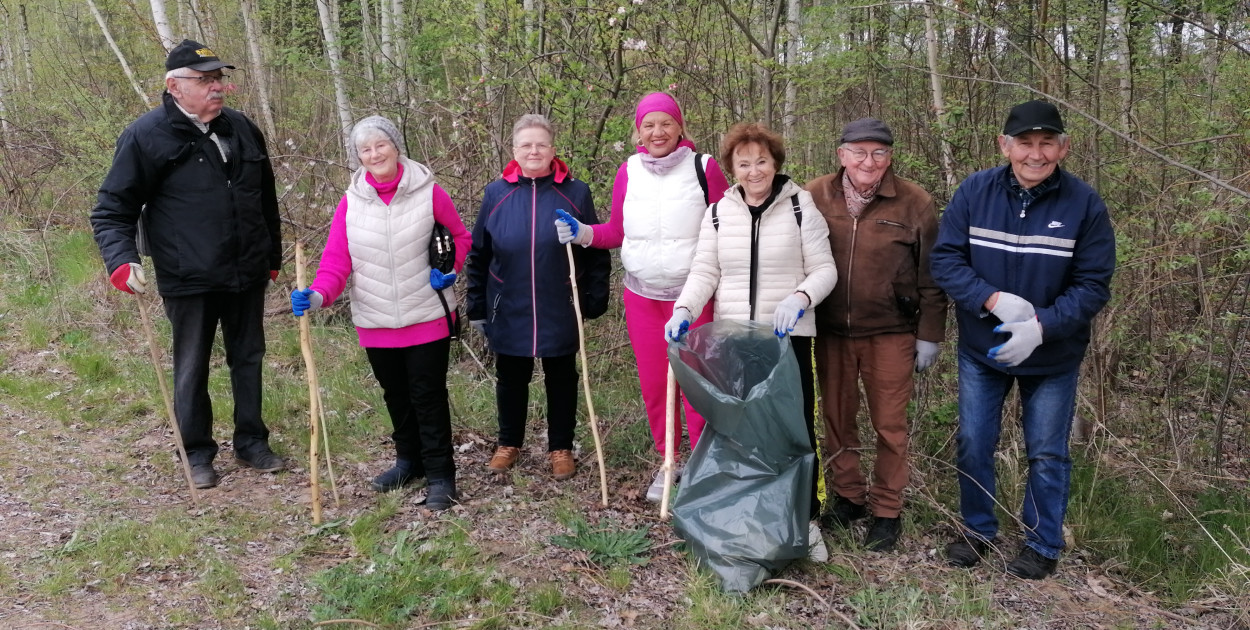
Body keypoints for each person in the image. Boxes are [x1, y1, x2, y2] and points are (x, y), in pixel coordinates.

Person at [931, 100, 1115, 579]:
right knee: (974, 441)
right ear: (1005, 146)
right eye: (1025, 143)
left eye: (1047, 143)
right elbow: (946, 260)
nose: (1036, 154)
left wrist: (1041, 327)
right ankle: (977, 530)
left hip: (1053, 355)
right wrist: (990, 299)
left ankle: (1042, 543)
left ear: (1063, 147)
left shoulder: (1084, 204)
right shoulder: (975, 192)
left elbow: (1094, 284)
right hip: (983, 348)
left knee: (1047, 452)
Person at [91, 40, 283, 490]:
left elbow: (265, 199)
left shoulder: (242, 128)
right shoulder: (146, 135)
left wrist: (271, 256)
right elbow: (112, 209)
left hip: (247, 270)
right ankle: (196, 452)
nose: (217, 87)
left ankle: (252, 442)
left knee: (248, 357)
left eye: (219, 78)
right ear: (174, 86)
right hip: (188, 274)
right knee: (192, 364)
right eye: (205, 80)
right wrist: (121, 261)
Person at [664, 122, 837, 560]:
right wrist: (683, 310)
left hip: (787, 341)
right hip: (736, 342)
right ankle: (746, 520)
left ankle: (806, 521)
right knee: (740, 432)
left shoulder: (800, 206)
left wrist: (800, 298)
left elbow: (825, 269)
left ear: (775, 163)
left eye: (761, 161)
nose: (754, 171)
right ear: (732, 168)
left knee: (794, 430)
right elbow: (705, 271)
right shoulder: (718, 213)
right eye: (744, 163)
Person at [555, 92, 731, 502]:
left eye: (666, 123)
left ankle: (704, 465)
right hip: (642, 298)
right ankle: (669, 462)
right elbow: (617, 231)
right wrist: (582, 233)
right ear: (638, 131)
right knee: (655, 385)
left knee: (697, 384)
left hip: (695, 297)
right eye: (649, 125)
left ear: (680, 127)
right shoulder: (628, 171)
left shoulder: (704, 168)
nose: (657, 132)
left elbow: (728, 226)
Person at [289, 116, 470, 510]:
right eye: (365, 150)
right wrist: (317, 296)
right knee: (396, 395)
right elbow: (336, 262)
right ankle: (409, 462)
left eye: (380, 145)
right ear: (358, 157)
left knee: (428, 396)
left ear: (396, 146)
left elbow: (460, 236)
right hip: (375, 320)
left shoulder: (429, 192)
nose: (374, 154)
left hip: (427, 313)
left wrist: (451, 268)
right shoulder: (351, 203)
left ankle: (441, 474)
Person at [805, 118, 948, 552]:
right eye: (859, 152)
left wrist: (930, 334)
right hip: (830, 331)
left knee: (890, 425)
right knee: (837, 420)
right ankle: (848, 497)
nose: (869, 162)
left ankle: (887, 509)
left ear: (890, 157)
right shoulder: (814, 195)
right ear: (842, 155)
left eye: (879, 152)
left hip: (891, 332)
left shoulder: (914, 202)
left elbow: (933, 275)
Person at [466, 114, 611, 482]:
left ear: (552, 149)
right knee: (510, 376)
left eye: (541, 144)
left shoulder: (575, 192)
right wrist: (477, 306)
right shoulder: (496, 193)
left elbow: (595, 245)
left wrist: (594, 297)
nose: (534, 151)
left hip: (559, 303)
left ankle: (560, 447)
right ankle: (508, 443)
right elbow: (479, 254)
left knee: (561, 377)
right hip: (508, 303)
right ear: (514, 150)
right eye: (526, 145)